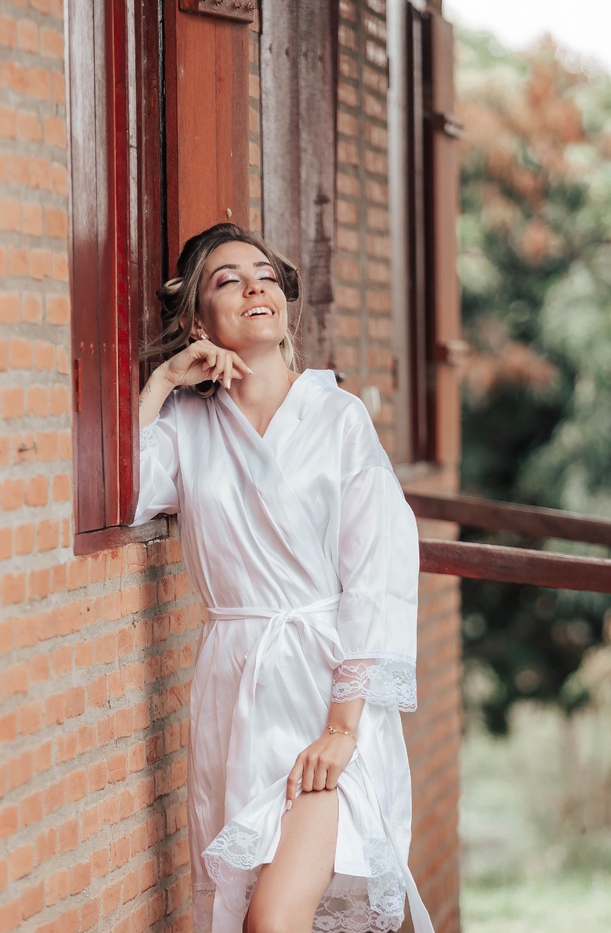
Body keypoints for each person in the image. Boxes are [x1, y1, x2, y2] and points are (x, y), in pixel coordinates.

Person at [134, 223, 432, 933]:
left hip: (327, 693)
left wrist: (342, 729)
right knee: (251, 914)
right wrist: (162, 381)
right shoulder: (185, 424)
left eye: (264, 275)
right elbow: (128, 494)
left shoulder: (339, 417)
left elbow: (377, 575)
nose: (253, 287)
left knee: (274, 918)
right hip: (236, 692)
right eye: (227, 280)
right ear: (197, 320)